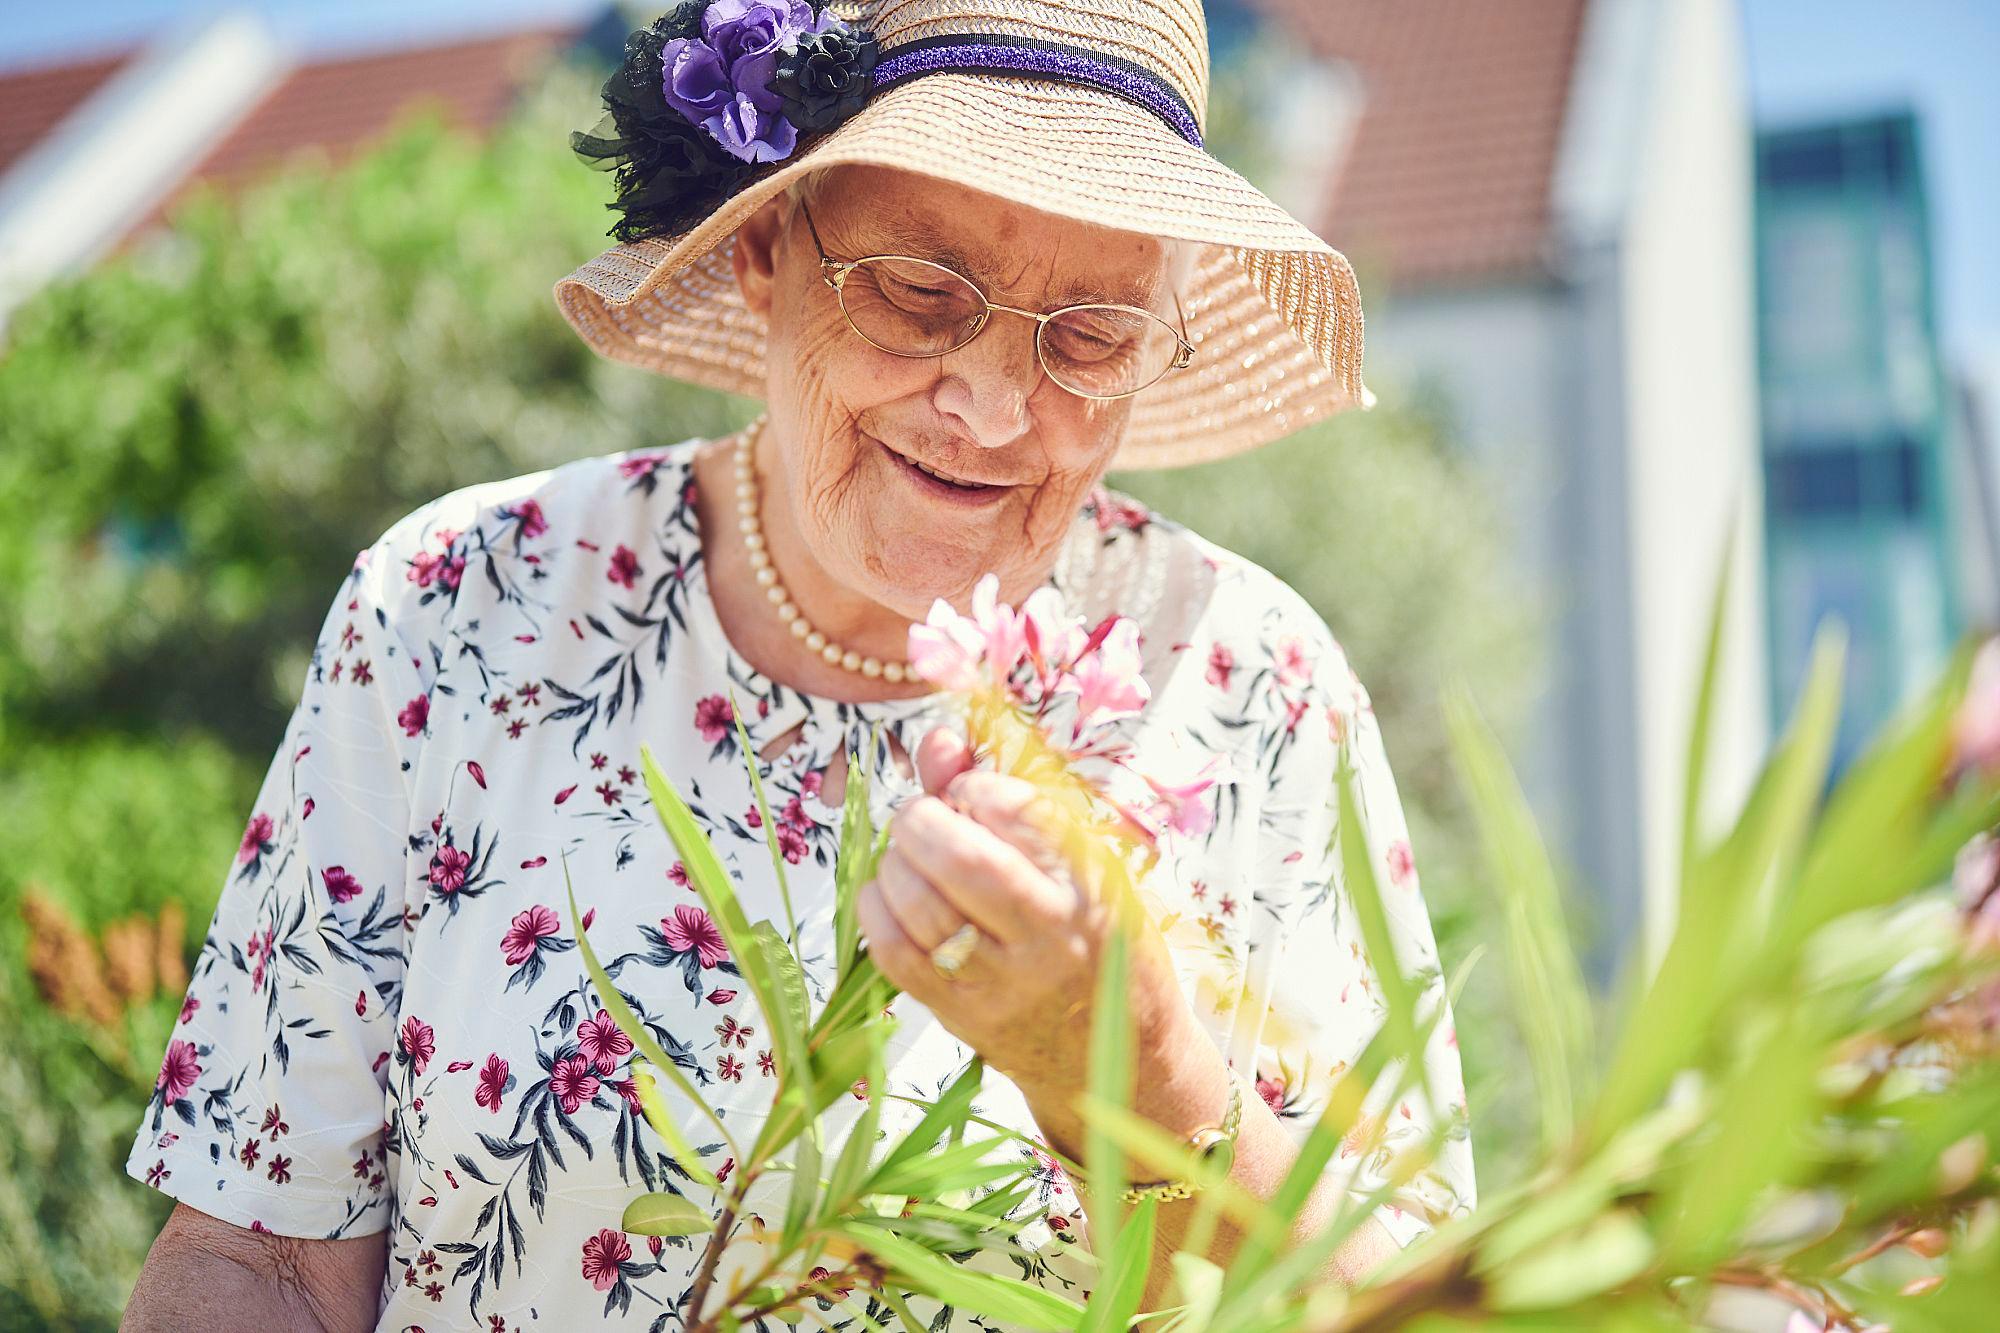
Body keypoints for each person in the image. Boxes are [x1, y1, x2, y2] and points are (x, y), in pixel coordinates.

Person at [123, 1, 1474, 1327]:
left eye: (1093, 334)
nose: (995, 406)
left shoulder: (1254, 688)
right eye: (921, 293)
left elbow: (1420, 1310)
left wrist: (1137, 1073)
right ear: (767, 245)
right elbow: (267, 1265)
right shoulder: (459, 608)